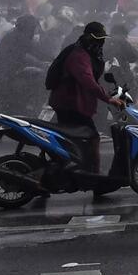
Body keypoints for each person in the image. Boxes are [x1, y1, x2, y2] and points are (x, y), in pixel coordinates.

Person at [47, 23, 125, 177]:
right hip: (70, 104)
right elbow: (88, 81)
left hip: (73, 103)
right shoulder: (79, 55)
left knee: (72, 140)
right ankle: (92, 175)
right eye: (98, 39)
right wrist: (108, 99)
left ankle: (75, 171)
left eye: (102, 39)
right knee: (91, 137)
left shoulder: (87, 53)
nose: (101, 42)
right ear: (88, 37)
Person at [0, 14, 50, 111]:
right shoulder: (21, 38)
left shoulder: (14, 35)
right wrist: (47, 62)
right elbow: (35, 53)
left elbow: (28, 55)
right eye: (35, 29)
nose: (36, 33)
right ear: (30, 28)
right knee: (29, 87)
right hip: (3, 78)